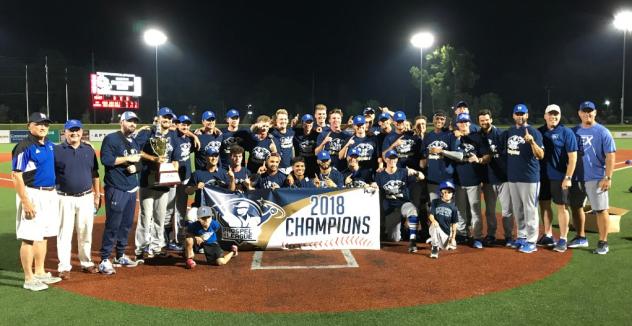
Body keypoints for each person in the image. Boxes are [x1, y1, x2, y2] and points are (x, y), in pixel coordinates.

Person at [12, 112, 63, 291]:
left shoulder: (49, 144)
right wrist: (25, 202)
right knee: (29, 237)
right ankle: (28, 278)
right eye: (39, 124)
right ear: (29, 126)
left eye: (46, 124)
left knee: (44, 235)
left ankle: (40, 272)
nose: (43, 127)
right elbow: (16, 176)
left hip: (49, 194)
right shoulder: (24, 147)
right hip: (32, 194)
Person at [54, 119, 101, 279]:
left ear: (82, 132)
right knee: (64, 233)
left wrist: (97, 194)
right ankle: (64, 266)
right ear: (64, 132)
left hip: (86, 197)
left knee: (85, 232)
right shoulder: (57, 150)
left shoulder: (88, 149)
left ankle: (86, 262)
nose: (74, 133)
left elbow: (95, 174)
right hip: (64, 198)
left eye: (77, 130)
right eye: (70, 130)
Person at [568, 101, 616, 254]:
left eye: (590, 111)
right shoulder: (573, 131)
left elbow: (610, 156)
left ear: (595, 113)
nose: (587, 114)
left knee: (601, 209)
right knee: (576, 207)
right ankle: (581, 237)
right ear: (579, 113)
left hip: (596, 177)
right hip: (576, 177)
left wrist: (608, 177)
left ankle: (603, 242)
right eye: (584, 111)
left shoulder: (602, 132)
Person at [98, 111, 143, 275]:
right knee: (113, 225)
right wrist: (127, 160)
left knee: (126, 225)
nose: (133, 124)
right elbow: (106, 160)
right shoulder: (111, 139)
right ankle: (104, 259)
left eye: (134, 122)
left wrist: (135, 166)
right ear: (121, 122)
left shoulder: (134, 141)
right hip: (116, 188)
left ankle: (120, 255)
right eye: (129, 121)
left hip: (131, 188)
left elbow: (140, 162)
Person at [134, 107, 180, 260]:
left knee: (160, 217)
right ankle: (141, 249)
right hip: (147, 180)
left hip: (164, 182)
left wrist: (172, 174)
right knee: (145, 216)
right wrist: (154, 159)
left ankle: (156, 246)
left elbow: (175, 160)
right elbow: (136, 150)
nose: (167, 120)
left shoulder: (174, 136)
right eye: (164, 117)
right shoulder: (148, 133)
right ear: (158, 118)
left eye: (169, 118)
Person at [503, 104, 544, 253]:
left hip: (529, 178)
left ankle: (532, 240)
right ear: (513, 115)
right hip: (513, 177)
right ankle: (521, 236)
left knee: (530, 210)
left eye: (522, 113)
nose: (520, 116)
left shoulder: (534, 132)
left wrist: (532, 142)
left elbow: (541, 155)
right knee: (518, 209)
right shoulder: (510, 131)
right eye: (517, 113)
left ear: (527, 115)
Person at [537, 105, 578, 252]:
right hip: (542, 176)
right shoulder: (539, 132)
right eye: (550, 114)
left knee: (561, 206)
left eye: (556, 114)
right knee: (544, 205)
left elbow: (573, 157)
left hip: (559, 176)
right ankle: (547, 234)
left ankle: (563, 238)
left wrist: (568, 177)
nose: (553, 117)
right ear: (545, 115)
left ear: (560, 116)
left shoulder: (567, 132)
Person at [371, 150, 424, 249]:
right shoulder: (380, 174)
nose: (392, 160)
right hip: (390, 207)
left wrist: (415, 172)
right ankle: (402, 230)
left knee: (412, 211)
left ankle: (412, 240)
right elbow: (375, 186)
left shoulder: (403, 172)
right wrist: (373, 185)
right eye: (390, 158)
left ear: (397, 159)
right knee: (394, 238)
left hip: (403, 204)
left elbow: (422, 177)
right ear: (385, 159)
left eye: (394, 158)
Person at [452, 113, 490, 249]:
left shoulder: (477, 137)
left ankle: (477, 236)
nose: (463, 124)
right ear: (457, 124)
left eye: (465, 122)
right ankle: (462, 234)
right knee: (460, 210)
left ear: (469, 123)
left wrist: (479, 160)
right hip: (458, 181)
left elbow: (486, 156)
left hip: (474, 180)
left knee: (475, 211)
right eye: (460, 122)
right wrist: (456, 138)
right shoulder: (454, 138)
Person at [478, 109, 514, 246]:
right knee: (490, 210)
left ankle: (509, 236)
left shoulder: (501, 134)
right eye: (482, 121)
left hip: (504, 178)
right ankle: (491, 234)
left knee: (507, 210)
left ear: (491, 120)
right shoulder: (478, 136)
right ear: (479, 122)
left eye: (486, 120)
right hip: (488, 179)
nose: (484, 122)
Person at [427, 181, 459, 259]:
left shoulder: (454, 207)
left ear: (452, 194)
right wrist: (434, 221)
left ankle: (436, 240)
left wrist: (453, 238)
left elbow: (454, 224)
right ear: (441, 193)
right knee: (435, 227)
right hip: (435, 227)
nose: (447, 194)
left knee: (446, 247)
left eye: (449, 192)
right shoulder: (435, 202)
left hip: (445, 233)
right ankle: (434, 248)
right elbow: (431, 215)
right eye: (444, 192)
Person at [270, 108, 295, 174]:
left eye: (285, 119)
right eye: (281, 119)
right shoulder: (272, 133)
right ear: (276, 121)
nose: (283, 121)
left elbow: (292, 148)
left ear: (288, 120)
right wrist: (270, 124)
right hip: (277, 168)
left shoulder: (291, 132)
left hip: (290, 167)